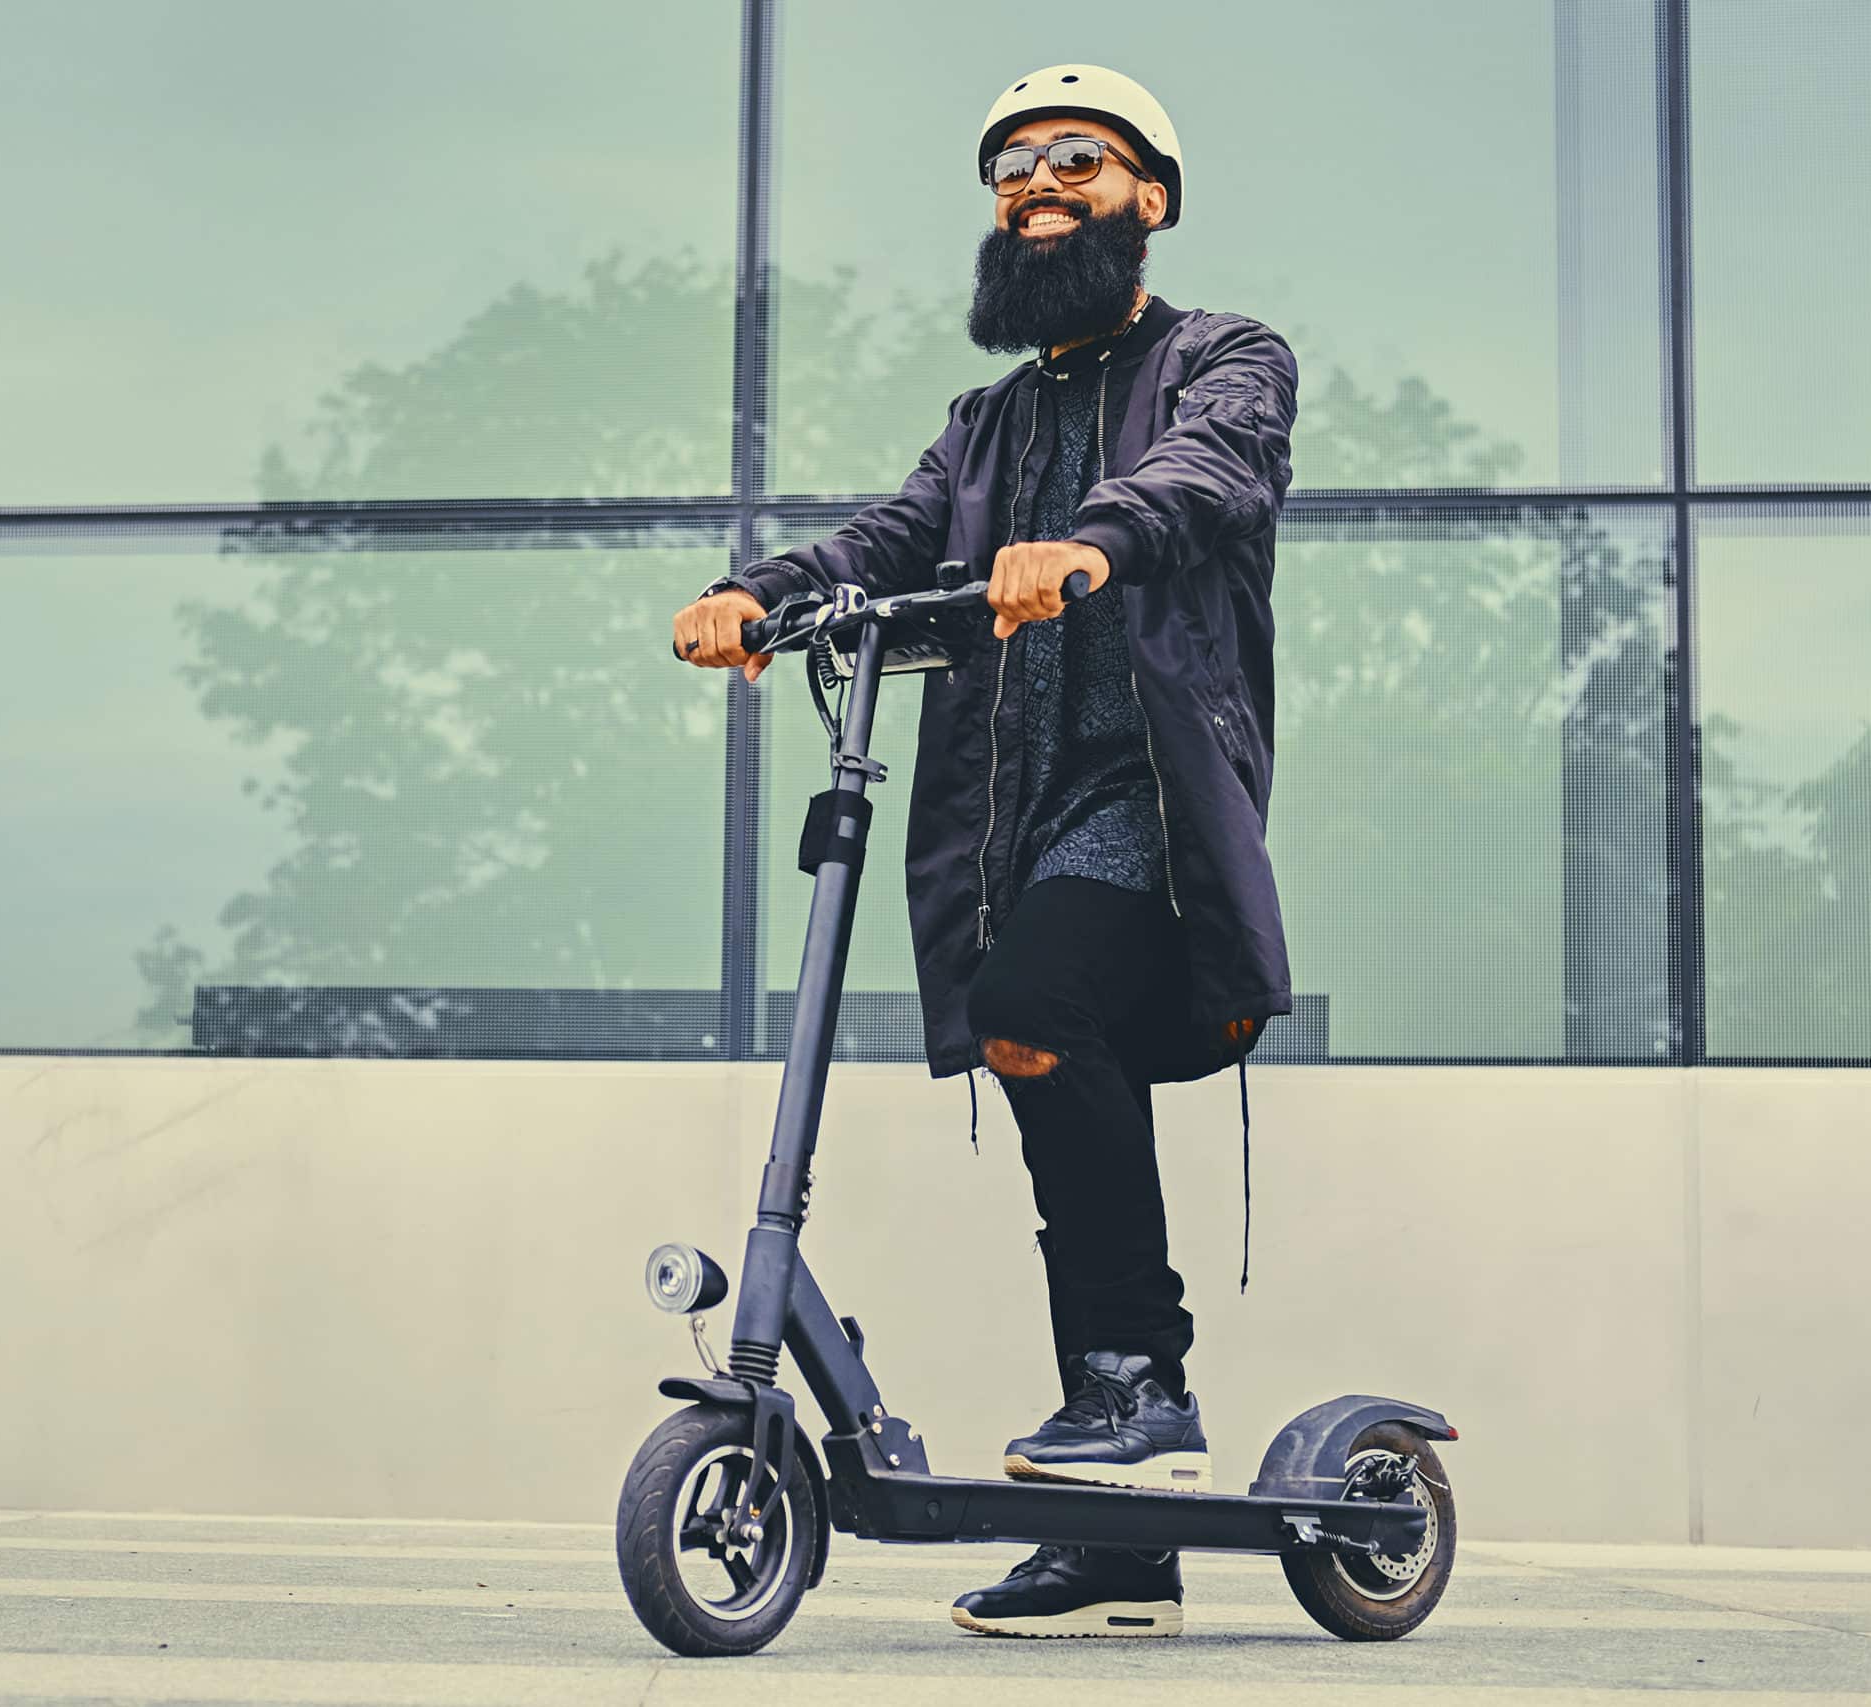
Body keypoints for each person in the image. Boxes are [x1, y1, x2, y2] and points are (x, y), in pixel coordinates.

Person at [671, 64, 1298, 1639]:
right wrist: (761, 590)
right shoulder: (992, 417)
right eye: (1011, 166)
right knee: (1038, 1077)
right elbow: (892, 538)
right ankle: (1118, 1524)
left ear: (1149, 195)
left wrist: (1088, 544)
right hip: (1017, 822)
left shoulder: (1223, 358)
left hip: (1147, 807)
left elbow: (1206, 474)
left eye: (1074, 159)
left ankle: (1137, 1388)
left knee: (1028, 1013)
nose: (1034, 185)